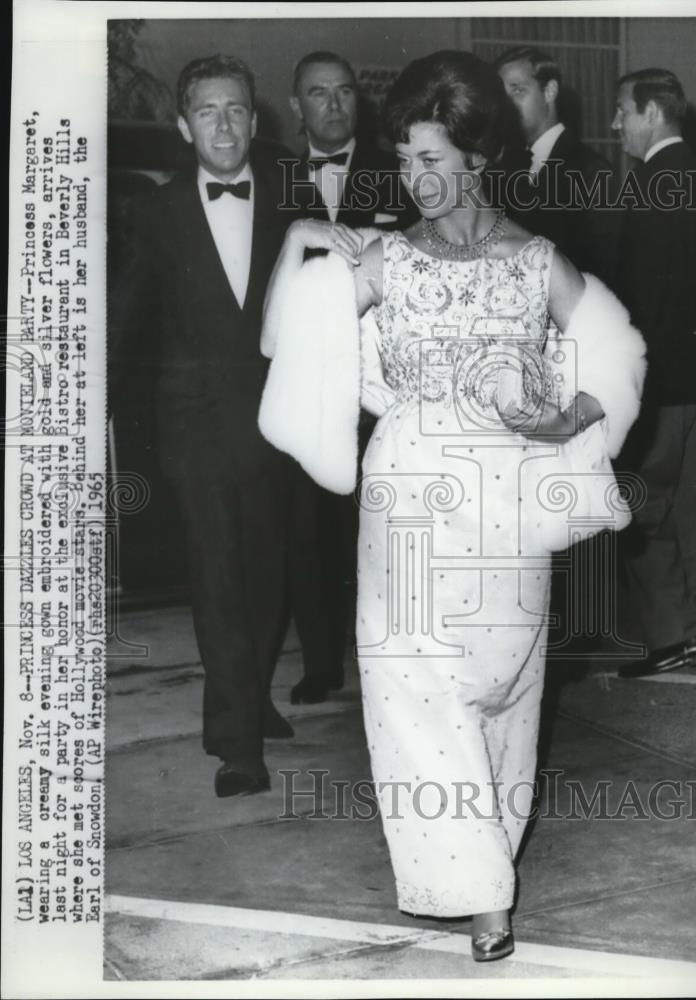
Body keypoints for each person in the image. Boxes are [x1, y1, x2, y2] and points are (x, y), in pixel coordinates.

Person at [261, 51, 645, 961]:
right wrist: (302, 247)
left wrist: (561, 417)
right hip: (403, 505)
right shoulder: (386, 259)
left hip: (507, 507)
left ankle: (485, 862)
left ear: (477, 157)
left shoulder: (535, 260)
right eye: (405, 160)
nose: (416, 178)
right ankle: (483, 897)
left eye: (433, 159)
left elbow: (619, 353)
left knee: (504, 695)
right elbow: (288, 343)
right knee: (411, 693)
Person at [113, 55, 295, 799]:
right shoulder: (154, 214)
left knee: (269, 573)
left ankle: (249, 694)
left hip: (279, 421)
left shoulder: (290, 199)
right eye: (209, 112)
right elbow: (125, 322)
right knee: (219, 578)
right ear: (185, 126)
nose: (225, 124)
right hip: (192, 426)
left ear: (255, 120)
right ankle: (236, 741)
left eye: (237, 110)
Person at [282, 51, 416, 706]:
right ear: (295, 106)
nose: (333, 105)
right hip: (308, 387)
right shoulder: (271, 177)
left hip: (381, 388)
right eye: (318, 94)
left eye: (343, 92)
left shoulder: (401, 173)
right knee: (307, 532)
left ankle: (387, 658)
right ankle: (320, 664)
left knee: (386, 526)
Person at [610, 69, 696, 679]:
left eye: (623, 110)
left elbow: (641, 300)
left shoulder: (648, 186)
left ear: (650, 112)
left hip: (664, 383)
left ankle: (670, 637)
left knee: (642, 506)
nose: (616, 123)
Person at [496, 46, 618, 288]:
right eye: (502, 96)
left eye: (518, 90)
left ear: (549, 91)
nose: (505, 106)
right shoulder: (509, 166)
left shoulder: (591, 169)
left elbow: (606, 271)